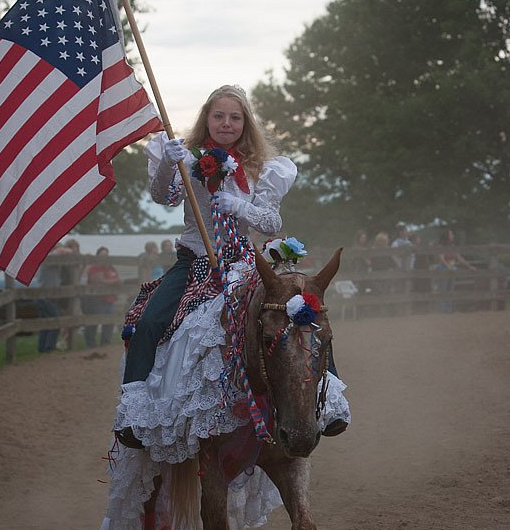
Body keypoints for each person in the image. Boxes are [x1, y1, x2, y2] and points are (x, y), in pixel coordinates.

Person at [114, 84, 350, 450]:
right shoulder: (185, 159)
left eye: (234, 117)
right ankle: (134, 415)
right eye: (219, 116)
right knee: (149, 321)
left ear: (245, 122)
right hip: (193, 261)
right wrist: (165, 163)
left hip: (242, 261)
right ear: (207, 118)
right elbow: (164, 196)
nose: (226, 123)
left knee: (303, 310)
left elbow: (270, 222)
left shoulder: (263, 168)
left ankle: (329, 400)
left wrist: (241, 208)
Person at [83, 247, 120, 347]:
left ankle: (105, 344)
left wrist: (114, 282)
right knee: (93, 322)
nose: (105, 257)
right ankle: (90, 345)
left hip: (110, 299)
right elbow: (99, 281)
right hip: (96, 299)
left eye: (106, 255)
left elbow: (118, 279)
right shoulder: (94, 268)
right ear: (97, 256)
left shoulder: (111, 267)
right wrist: (114, 282)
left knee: (110, 321)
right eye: (102, 255)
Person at [436, 229, 476, 313]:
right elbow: (441, 258)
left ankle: (448, 310)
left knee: (450, 290)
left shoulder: (453, 246)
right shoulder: (441, 246)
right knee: (443, 290)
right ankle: (441, 310)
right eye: (451, 234)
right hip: (444, 268)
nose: (453, 236)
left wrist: (469, 266)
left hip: (452, 268)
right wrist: (448, 267)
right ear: (447, 236)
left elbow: (459, 258)